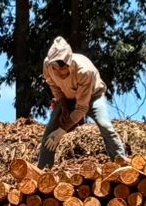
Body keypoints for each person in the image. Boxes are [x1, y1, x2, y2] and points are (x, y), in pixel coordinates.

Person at [36, 37, 129, 169]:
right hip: (67, 98)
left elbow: (81, 108)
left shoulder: (84, 71)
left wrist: (62, 131)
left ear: (69, 63)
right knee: (50, 130)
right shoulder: (47, 65)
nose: (59, 74)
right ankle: (42, 170)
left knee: (105, 125)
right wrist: (64, 108)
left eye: (63, 70)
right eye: (56, 70)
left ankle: (121, 164)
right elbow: (55, 87)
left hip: (92, 96)